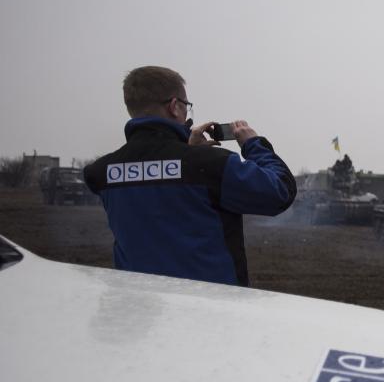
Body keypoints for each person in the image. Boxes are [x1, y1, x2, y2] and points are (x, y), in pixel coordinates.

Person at [83, 66, 296, 286]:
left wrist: (189, 151)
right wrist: (253, 144)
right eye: (186, 107)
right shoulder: (210, 165)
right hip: (205, 309)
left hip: (139, 308)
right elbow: (279, 190)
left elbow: (158, 190)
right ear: (175, 107)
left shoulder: (103, 172)